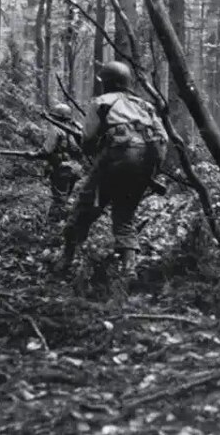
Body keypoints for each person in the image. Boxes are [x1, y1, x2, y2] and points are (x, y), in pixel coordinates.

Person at [58, 61, 168, 279]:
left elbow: (88, 140)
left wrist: (92, 147)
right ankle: (129, 270)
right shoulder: (145, 106)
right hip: (143, 167)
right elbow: (162, 139)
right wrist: (151, 173)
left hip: (114, 163)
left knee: (83, 210)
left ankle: (66, 261)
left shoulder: (101, 102)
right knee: (125, 216)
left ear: (108, 83)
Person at [37, 103, 84, 223]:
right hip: (75, 169)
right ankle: (65, 221)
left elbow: (47, 150)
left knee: (59, 200)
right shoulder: (76, 129)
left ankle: (55, 226)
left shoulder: (56, 130)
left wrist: (36, 154)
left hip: (62, 169)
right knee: (65, 197)